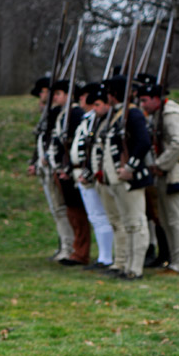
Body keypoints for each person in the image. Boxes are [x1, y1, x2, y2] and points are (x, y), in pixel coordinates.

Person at [138, 82, 179, 275]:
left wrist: (160, 164)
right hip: (168, 172)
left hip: (174, 172)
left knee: (174, 219)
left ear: (156, 99)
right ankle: (174, 261)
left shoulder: (170, 115)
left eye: (145, 100)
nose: (142, 104)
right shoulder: (161, 114)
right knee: (166, 220)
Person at [98, 75, 153, 280]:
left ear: (113, 94)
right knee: (127, 223)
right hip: (117, 179)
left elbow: (143, 142)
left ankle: (135, 268)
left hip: (130, 178)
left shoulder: (133, 114)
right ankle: (127, 265)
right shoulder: (119, 114)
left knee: (136, 223)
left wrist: (130, 167)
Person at [27, 76, 75, 261]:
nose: (41, 97)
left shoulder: (61, 114)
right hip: (48, 166)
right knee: (58, 211)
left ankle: (69, 247)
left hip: (57, 166)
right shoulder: (51, 114)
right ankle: (65, 246)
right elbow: (42, 140)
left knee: (63, 210)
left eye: (44, 92)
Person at [47, 79, 90, 266]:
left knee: (78, 212)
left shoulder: (75, 114)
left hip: (70, 171)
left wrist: (68, 168)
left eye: (58, 94)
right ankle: (73, 249)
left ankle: (80, 251)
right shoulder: (63, 113)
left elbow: (74, 144)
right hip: (62, 169)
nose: (54, 98)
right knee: (70, 211)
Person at [71, 83, 114, 270]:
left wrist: (87, 172)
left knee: (102, 216)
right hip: (83, 171)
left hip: (93, 173)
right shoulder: (88, 119)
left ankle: (107, 257)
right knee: (95, 216)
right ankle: (104, 257)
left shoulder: (97, 120)